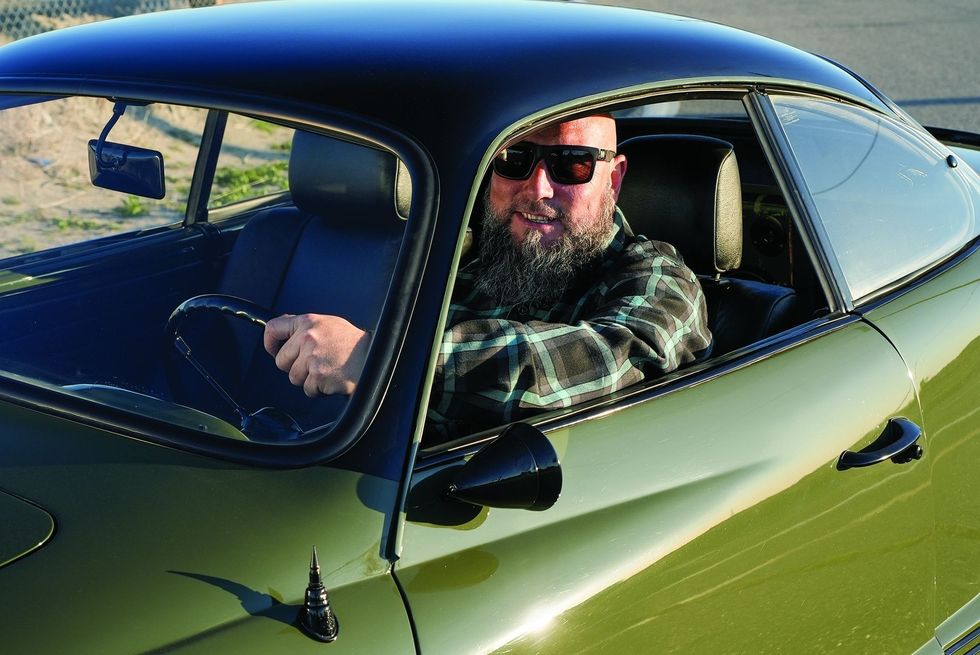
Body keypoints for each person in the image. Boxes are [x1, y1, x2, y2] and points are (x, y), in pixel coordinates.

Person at [264, 114, 711, 442]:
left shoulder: (661, 282)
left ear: (613, 180)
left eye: (571, 165)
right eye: (515, 159)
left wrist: (382, 360)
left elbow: (612, 357)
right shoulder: (451, 256)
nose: (537, 189)